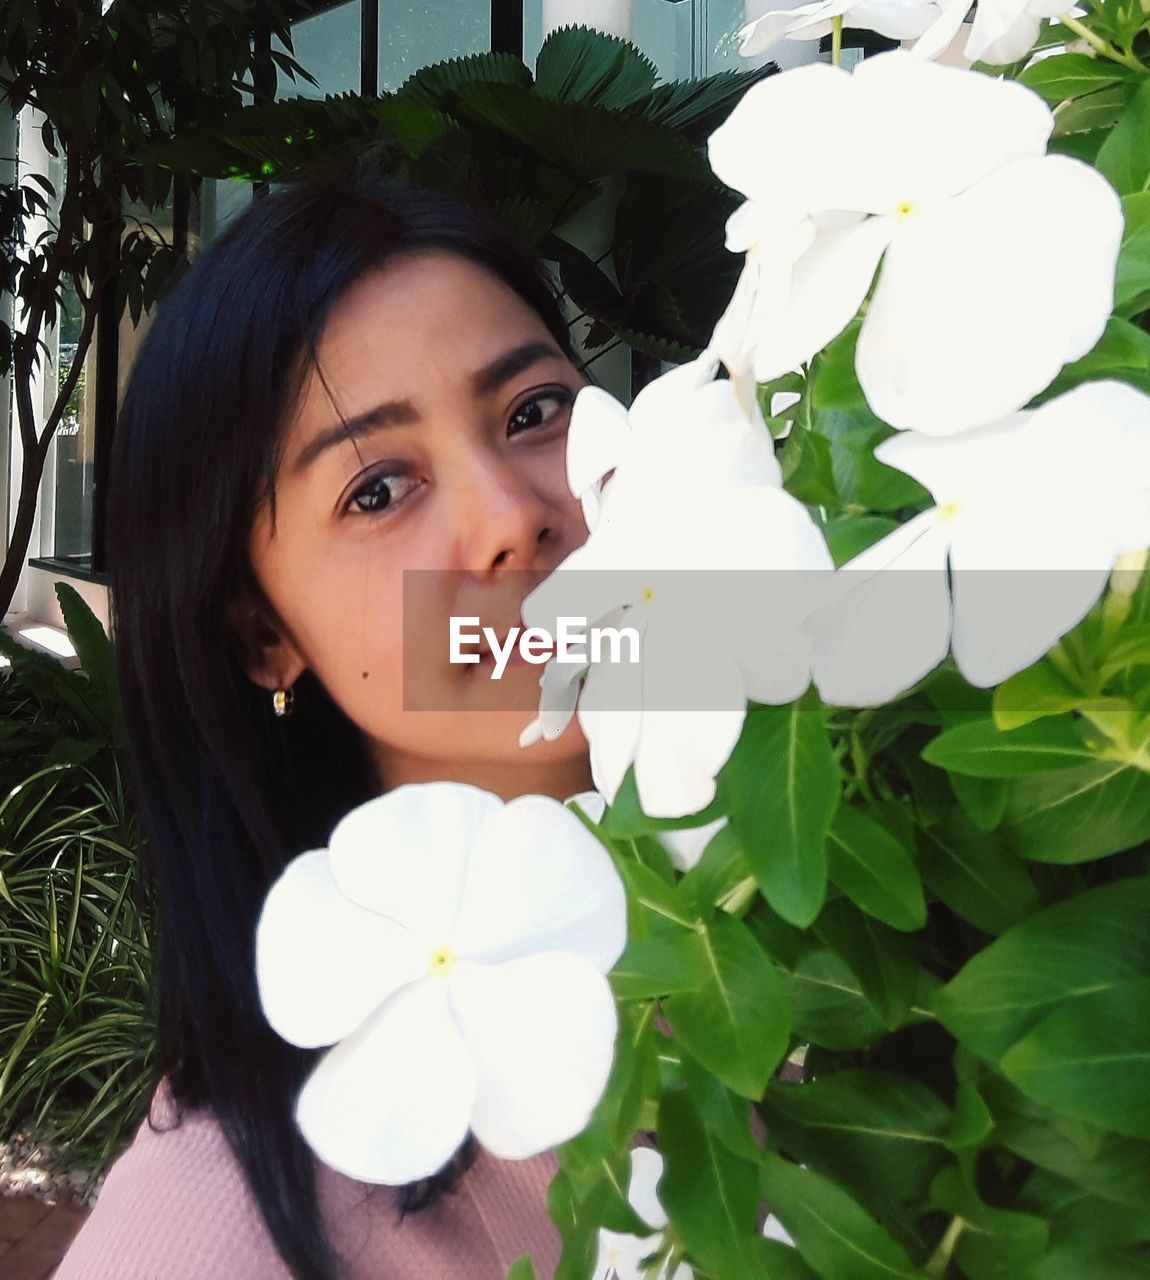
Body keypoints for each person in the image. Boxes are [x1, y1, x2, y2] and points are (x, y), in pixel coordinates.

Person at [55, 156, 598, 1279]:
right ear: (263, 635)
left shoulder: (882, 827)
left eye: (535, 410)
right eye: (377, 488)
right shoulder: (210, 1234)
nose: (515, 518)